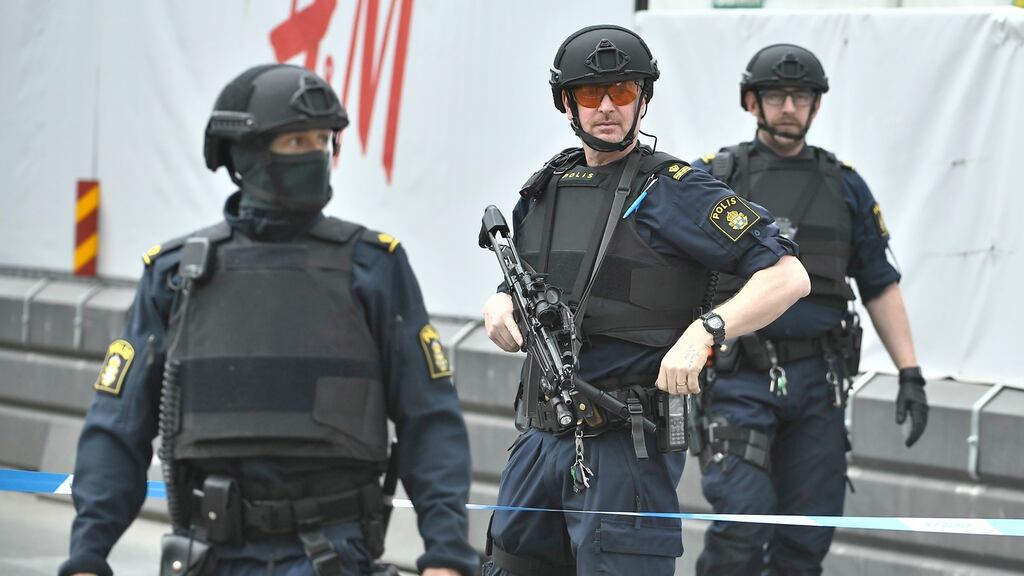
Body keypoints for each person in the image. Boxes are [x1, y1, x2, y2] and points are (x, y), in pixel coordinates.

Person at [59, 64, 477, 576]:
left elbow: (429, 419)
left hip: (333, 553)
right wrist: (86, 555)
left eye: (324, 140)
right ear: (246, 153)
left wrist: (448, 555)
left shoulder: (373, 267)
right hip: (211, 552)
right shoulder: (177, 276)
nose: (316, 155)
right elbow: (116, 428)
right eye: (296, 140)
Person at [479, 25, 811, 575]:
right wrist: (498, 303)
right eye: (591, 94)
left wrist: (706, 330)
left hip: (621, 444)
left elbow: (788, 276)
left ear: (644, 99)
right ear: (567, 103)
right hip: (538, 439)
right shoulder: (547, 188)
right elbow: (535, 280)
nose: (607, 107)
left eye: (624, 92)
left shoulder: (675, 189)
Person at [690, 44, 930, 575]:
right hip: (739, 379)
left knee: (806, 538)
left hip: (820, 383)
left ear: (816, 106)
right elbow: (672, 276)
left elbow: (880, 284)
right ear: (752, 102)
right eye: (776, 96)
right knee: (741, 524)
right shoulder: (714, 180)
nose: (789, 107)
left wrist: (911, 373)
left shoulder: (844, 185)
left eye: (801, 96)